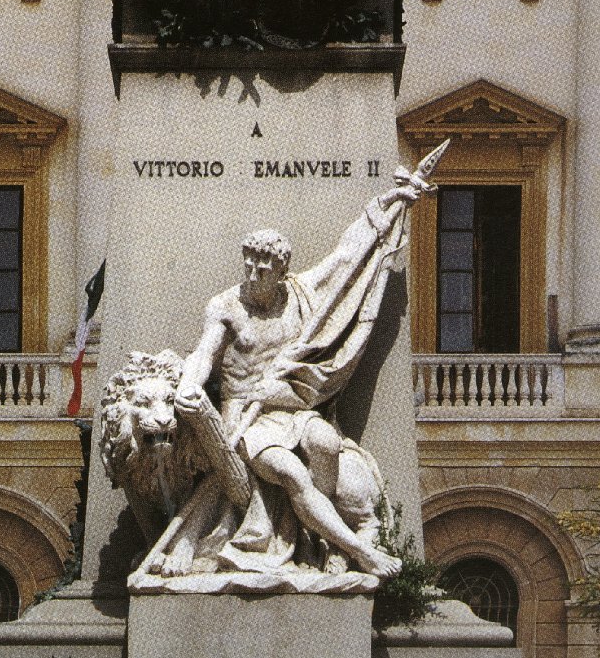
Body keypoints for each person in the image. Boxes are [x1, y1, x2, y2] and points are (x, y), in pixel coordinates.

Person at [174, 168, 430, 577]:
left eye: (263, 269)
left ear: (281, 269)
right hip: (243, 416)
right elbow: (204, 354)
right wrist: (189, 385)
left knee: (326, 443)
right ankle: (356, 552)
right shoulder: (225, 307)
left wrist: (389, 205)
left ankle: (326, 538)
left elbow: (346, 258)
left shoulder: (301, 295)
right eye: (249, 266)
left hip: (291, 409)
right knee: (293, 473)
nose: (253, 275)